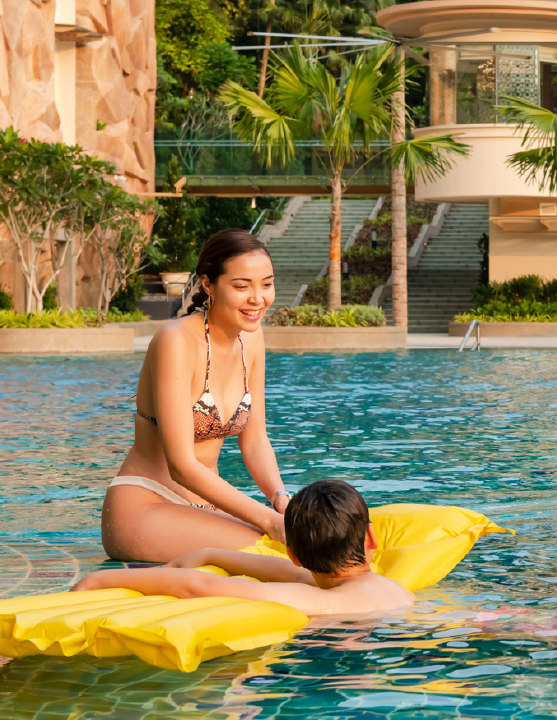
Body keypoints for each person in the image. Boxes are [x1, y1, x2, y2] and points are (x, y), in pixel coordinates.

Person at [101, 229, 289, 562]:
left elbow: (256, 440)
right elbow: (181, 466)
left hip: (205, 505)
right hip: (147, 502)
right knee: (271, 553)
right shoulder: (176, 341)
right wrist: (267, 520)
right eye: (242, 286)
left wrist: (281, 501)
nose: (257, 298)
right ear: (208, 284)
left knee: (304, 546)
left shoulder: (253, 338)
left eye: (266, 284)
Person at [75, 480, 414, 616]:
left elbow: (199, 587)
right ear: (371, 538)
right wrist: (209, 554)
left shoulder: (327, 599)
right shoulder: (384, 588)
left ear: (293, 552)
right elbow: (291, 574)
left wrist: (99, 581)